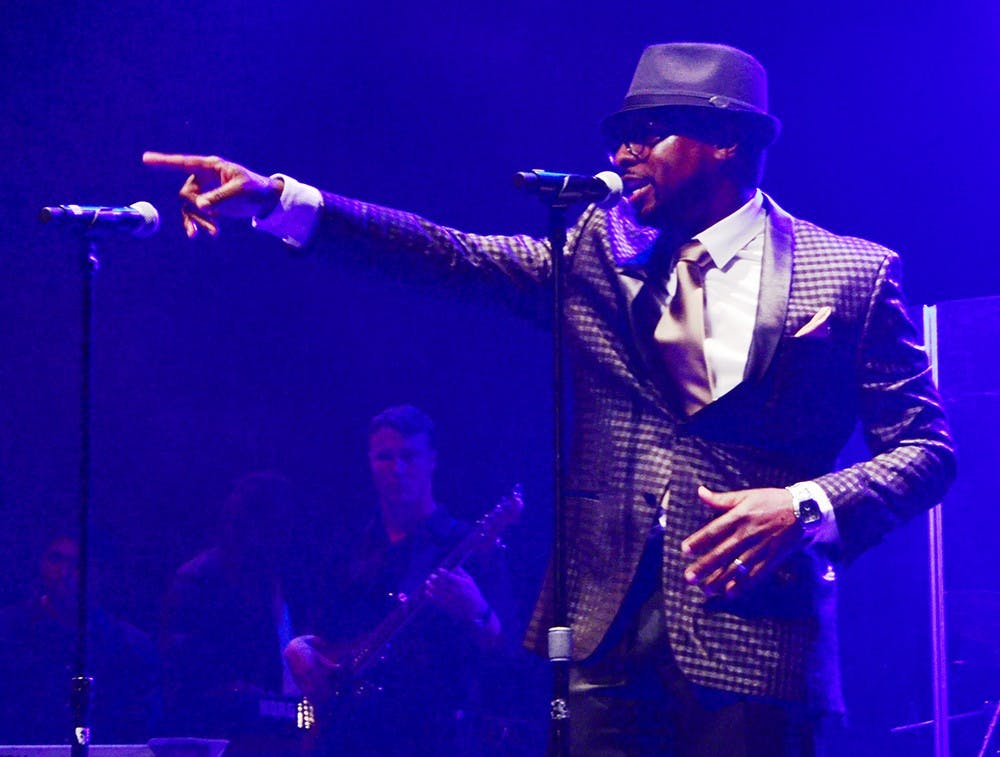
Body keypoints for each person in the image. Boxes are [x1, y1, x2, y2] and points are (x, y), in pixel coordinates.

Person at [145, 41, 956, 755]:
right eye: (619, 136)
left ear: (724, 142)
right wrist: (281, 201)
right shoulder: (597, 250)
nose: (625, 152)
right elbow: (451, 255)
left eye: (649, 132)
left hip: (758, 645)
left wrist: (805, 507)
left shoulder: (850, 274)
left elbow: (927, 450)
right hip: (602, 642)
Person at [282, 404, 521, 755]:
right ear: (370, 462)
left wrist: (477, 610)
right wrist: (300, 650)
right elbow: (321, 635)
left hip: (436, 739)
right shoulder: (349, 546)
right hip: (353, 737)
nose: (397, 469)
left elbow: (508, 653)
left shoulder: (469, 547)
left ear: (432, 460)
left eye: (409, 456)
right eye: (385, 457)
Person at [160, 470, 310, 753]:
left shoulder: (292, 578)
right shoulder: (201, 582)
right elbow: (193, 685)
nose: (281, 536)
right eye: (271, 526)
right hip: (234, 741)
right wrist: (275, 708)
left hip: (291, 738)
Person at [0, 530, 162, 745]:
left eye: (77, 564)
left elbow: (140, 722)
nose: (64, 572)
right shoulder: (7, 630)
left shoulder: (130, 644)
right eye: (56, 559)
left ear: (100, 573)